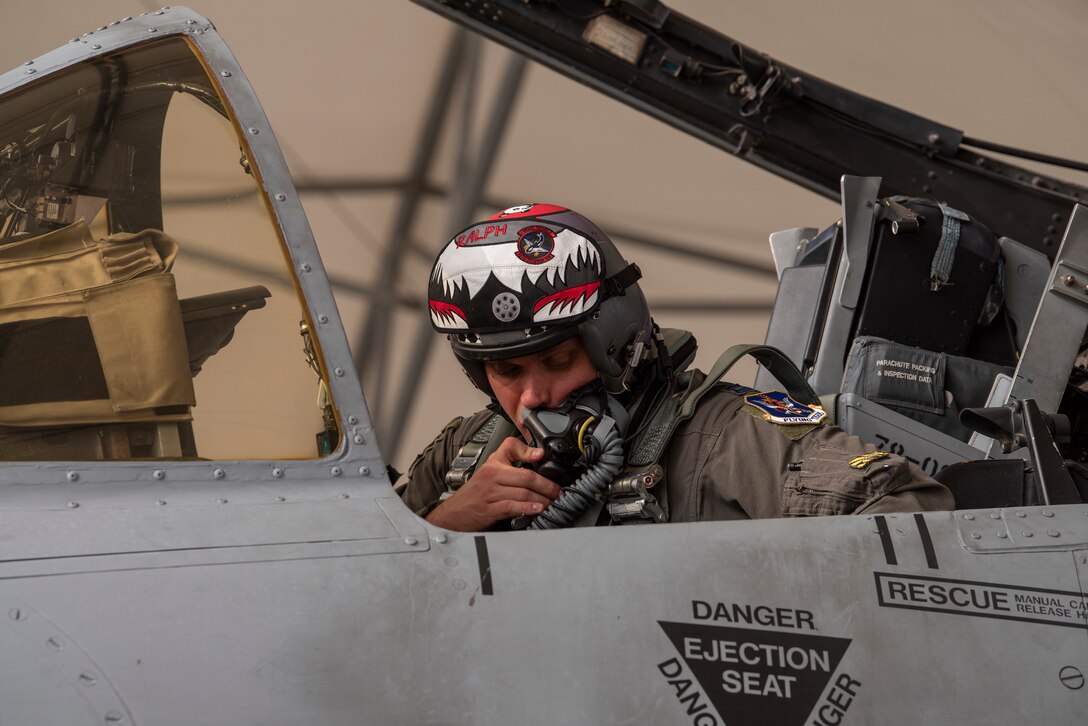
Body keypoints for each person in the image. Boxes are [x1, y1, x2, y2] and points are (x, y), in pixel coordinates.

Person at [399, 203, 954, 531]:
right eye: (508, 373)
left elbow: (912, 514)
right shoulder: (465, 456)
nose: (534, 397)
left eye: (557, 360)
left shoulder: (728, 435)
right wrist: (448, 524)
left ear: (615, 344)